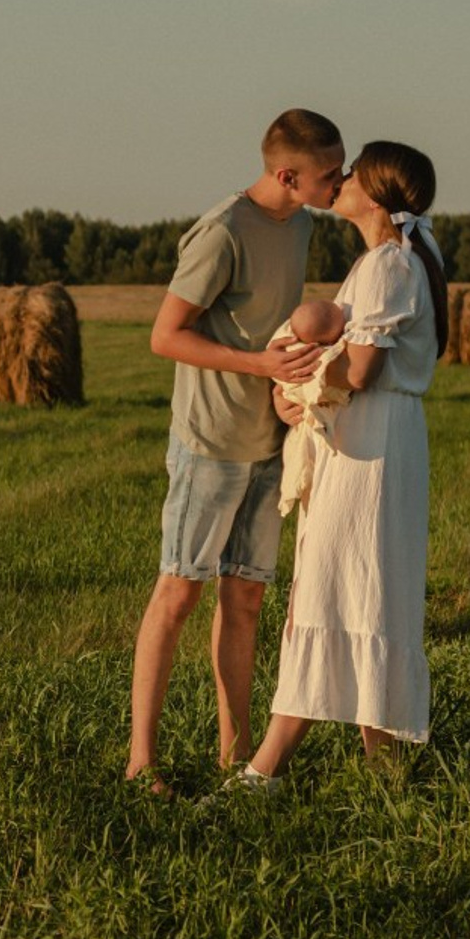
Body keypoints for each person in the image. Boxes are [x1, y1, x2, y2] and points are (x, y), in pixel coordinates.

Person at [126, 108, 346, 794]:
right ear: (289, 175)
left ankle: (235, 757)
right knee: (179, 593)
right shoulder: (222, 232)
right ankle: (141, 763)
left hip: (269, 441)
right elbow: (165, 336)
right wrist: (260, 369)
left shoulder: (304, 223)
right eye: (329, 175)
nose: (340, 185)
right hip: (210, 443)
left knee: (246, 599)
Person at [235, 140, 449, 791]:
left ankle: (261, 773)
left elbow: (362, 367)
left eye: (353, 173)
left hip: (368, 443)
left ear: (377, 195)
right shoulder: (406, 256)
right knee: (365, 594)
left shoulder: (388, 264)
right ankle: (385, 774)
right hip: (380, 436)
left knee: (332, 590)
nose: (344, 179)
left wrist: (300, 387)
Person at [272, 300, 350, 517]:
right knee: (302, 457)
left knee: (299, 458)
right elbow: (330, 388)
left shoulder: (285, 343)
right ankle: (292, 492)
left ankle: (291, 494)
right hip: (310, 412)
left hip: (299, 413)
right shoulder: (320, 357)